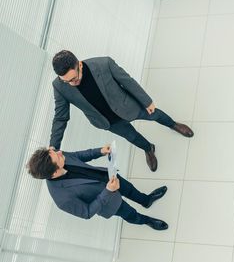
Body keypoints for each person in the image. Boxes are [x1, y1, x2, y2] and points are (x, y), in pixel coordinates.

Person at [50, 50, 194, 172]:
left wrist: (147, 101)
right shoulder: (59, 86)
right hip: (107, 120)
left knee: (154, 115)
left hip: (128, 105)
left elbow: (127, 81)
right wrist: (54, 147)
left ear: (79, 64)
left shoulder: (103, 64)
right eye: (67, 81)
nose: (72, 84)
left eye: (74, 78)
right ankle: (148, 149)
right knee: (132, 137)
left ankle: (173, 124)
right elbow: (60, 118)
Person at [26, 145, 169, 230]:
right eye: (58, 156)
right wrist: (108, 191)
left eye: (55, 152)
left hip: (108, 176)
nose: (60, 152)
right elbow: (87, 213)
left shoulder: (57, 157)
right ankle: (147, 221)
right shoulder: (61, 199)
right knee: (130, 214)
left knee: (131, 189)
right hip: (108, 201)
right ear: (55, 172)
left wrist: (99, 151)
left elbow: (77, 156)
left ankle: (146, 200)